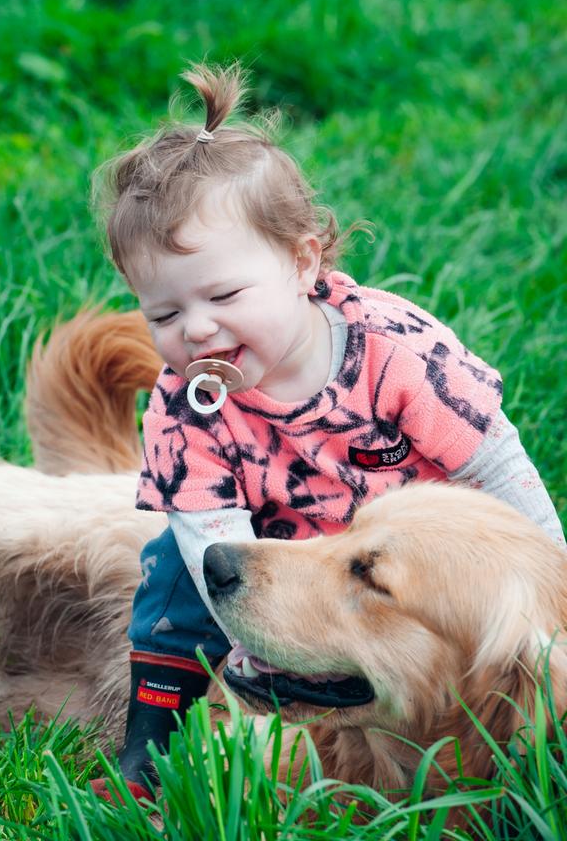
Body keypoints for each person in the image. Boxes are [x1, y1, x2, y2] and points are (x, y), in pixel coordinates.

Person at [89, 63, 565, 803]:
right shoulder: (187, 403)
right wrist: (258, 638)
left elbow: (497, 466)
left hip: (389, 525)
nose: (198, 329)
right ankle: (151, 745)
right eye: (163, 316)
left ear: (303, 262)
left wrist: (553, 585)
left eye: (223, 294)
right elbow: (213, 540)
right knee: (172, 589)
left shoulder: (396, 351)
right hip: (266, 536)